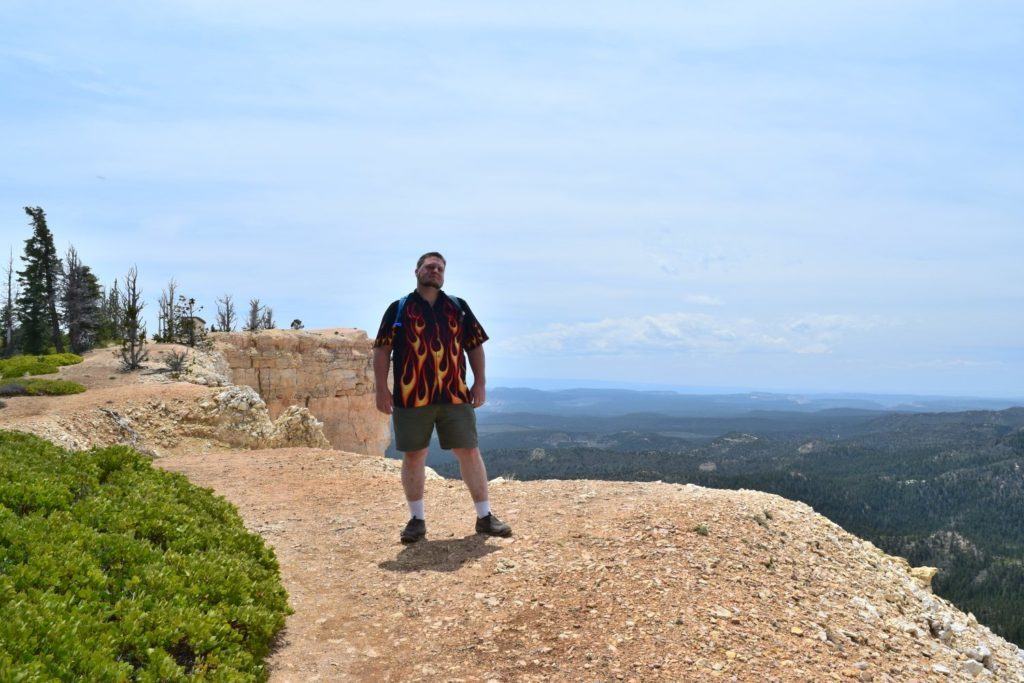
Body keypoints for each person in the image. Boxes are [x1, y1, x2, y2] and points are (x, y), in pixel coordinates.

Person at [373, 251, 512, 544]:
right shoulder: (399, 309)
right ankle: (416, 520)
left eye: (439, 268)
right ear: (417, 271)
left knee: (469, 451)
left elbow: (474, 346)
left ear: (444, 274)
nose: (434, 271)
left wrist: (480, 383)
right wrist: (382, 389)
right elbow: (382, 350)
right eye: (429, 266)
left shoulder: (457, 307)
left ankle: (485, 516)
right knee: (414, 455)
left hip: (454, 393)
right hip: (411, 397)